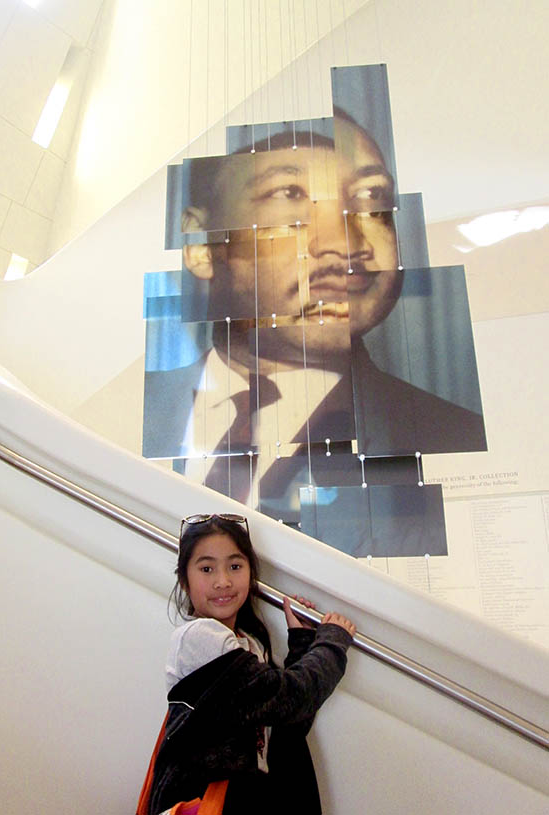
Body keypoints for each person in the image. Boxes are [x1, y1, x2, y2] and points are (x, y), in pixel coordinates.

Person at [143, 111, 486, 514]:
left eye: (371, 203)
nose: (343, 245)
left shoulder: (449, 433)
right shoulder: (133, 411)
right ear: (201, 245)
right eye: (288, 194)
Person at [140, 513, 356, 815]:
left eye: (235, 566)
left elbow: (285, 719)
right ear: (184, 581)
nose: (223, 581)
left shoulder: (247, 644)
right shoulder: (199, 638)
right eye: (206, 568)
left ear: (250, 573)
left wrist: (302, 641)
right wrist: (333, 642)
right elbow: (289, 699)